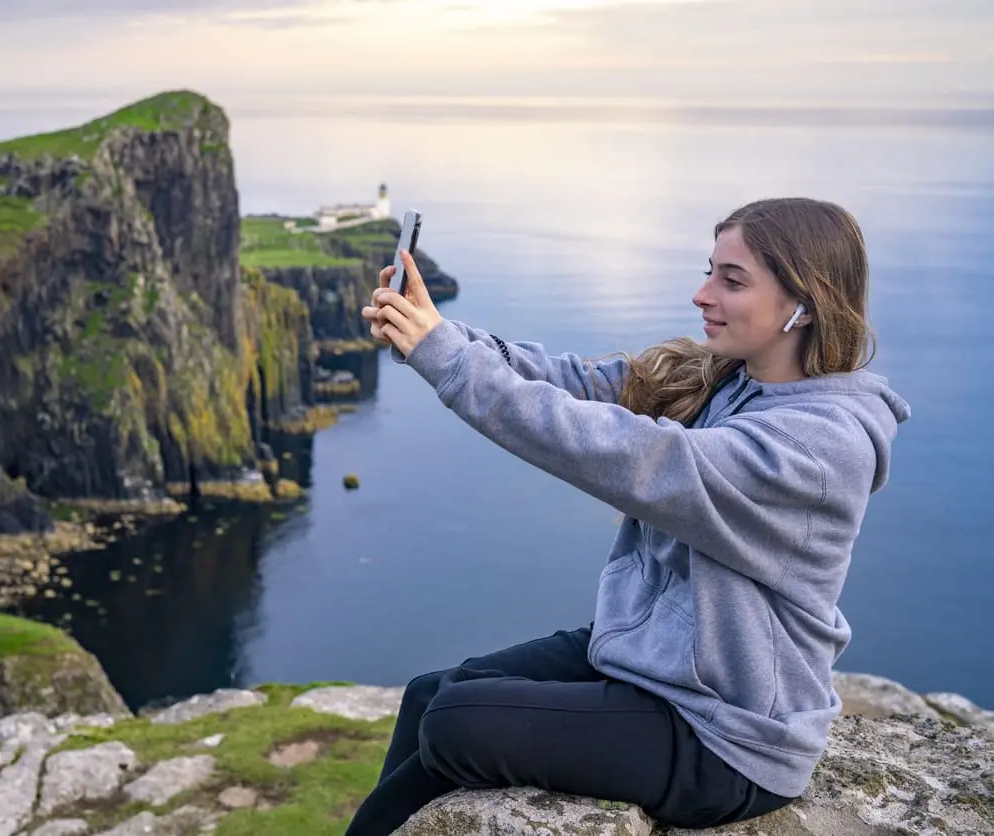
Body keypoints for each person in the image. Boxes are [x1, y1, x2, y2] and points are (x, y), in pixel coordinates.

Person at [347, 197, 911, 835]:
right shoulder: (725, 376)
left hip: (725, 733)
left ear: (804, 304)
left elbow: (624, 452)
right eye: (710, 271)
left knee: (455, 719)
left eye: (732, 280)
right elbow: (576, 384)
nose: (703, 294)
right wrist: (436, 335)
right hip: (654, 659)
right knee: (429, 693)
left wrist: (446, 358)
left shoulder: (814, 449)